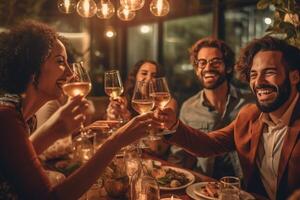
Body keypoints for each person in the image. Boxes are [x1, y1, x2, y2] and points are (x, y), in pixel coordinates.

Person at [0, 20, 156, 199]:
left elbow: (17, 166)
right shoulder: (5, 117)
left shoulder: (20, 115)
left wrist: (55, 130)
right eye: (60, 62)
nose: (71, 74)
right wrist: (115, 142)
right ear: (31, 65)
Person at [155, 36, 300, 200]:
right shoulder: (250, 115)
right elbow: (208, 145)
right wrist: (172, 124)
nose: (258, 82)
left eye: (269, 72)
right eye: (253, 74)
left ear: (294, 77)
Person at [170, 37, 253, 179]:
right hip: (204, 185)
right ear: (196, 70)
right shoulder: (189, 107)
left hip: (245, 184)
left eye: (215, 62)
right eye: (202, 63)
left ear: (228, 67)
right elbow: (179, 155)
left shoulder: (249, 102)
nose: (208, 68)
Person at [106, 60, 177, 157]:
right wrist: (115, 119)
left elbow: (156, 150)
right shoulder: (125, 101)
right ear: (135, 77)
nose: (148, 79)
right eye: (144, 73)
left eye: (154, 76)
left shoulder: (167, 104)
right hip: (130, 158)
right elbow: (111, 143)